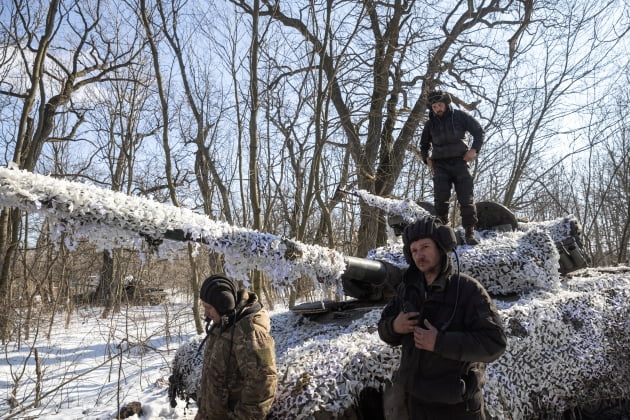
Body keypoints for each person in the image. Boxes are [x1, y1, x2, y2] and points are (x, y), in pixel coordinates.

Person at [378, 216, 506, 419]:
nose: (419, 255)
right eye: (414, 250)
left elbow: (494, 343)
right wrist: (395, 326)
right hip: (416, 402)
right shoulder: (407, 290)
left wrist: (440, 342)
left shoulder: (467, 290)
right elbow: (383, 329)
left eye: (425, 247)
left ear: (440, 247)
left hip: (457, 406)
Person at [195, 274, 277, 420]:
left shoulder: (251, 334)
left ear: (223, 305)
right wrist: (203, 411)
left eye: (208, 307)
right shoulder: (222, 324)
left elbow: (263, 386)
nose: (205, 313)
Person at [420, 90, 485, 245]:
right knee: (440, 200)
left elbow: (478, 132)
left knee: (466, 198)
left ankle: (469, 233)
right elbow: (423, 145)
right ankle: (444, 233)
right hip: (440, 164)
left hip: (460, 161)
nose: (438, 109)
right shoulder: (430, 124)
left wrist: (474, 150)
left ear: (446, 104)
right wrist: (426, 158)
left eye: (440, 105)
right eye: (434, 106)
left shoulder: (460, 116)